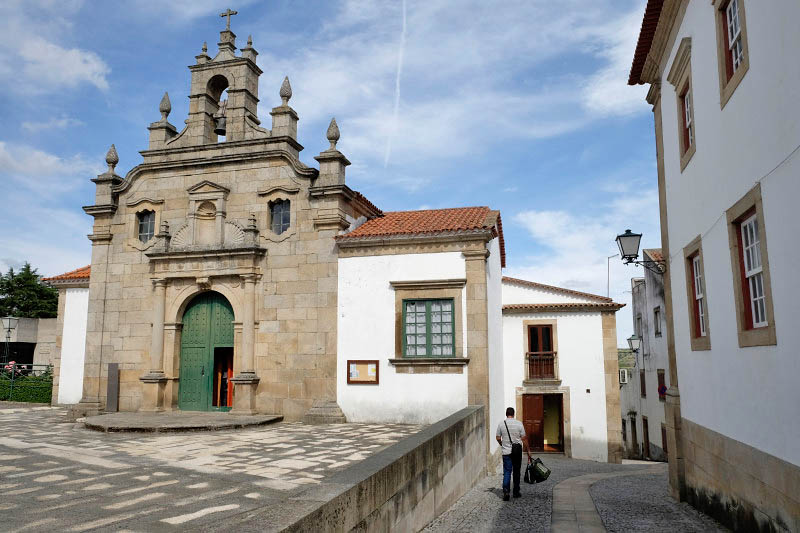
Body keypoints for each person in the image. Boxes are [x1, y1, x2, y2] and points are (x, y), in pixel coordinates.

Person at [496, 406, 532, 500]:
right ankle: (516, 492)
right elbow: (524, 438)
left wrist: (502, 444)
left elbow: (498, 438)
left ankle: (506, 491)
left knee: (507, 472)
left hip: (506, 451)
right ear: (514, 413)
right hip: (517, 451)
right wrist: (528, 450)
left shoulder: (501, 424)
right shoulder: (519, 424)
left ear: (506, 414)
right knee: (516, 471)